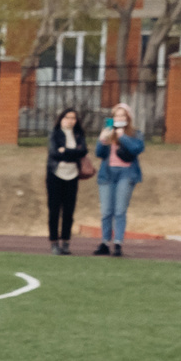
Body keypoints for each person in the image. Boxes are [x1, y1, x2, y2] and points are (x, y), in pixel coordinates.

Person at [91, 103, 143, 256]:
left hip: (126, 173)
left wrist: (122, 137)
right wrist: (102, 141)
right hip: (107, 173)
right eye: (116, 115)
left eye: (122, 115)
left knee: (120, 210)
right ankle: (104, 243)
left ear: (128, 118)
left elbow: (136, 149)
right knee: (106, 210)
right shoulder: (107, 131)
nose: (119, 118)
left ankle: (118, 243)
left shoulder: (135, 133)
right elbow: (99, 154)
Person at [43, 106, 88, 256]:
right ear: (61, 119)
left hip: (72, 175)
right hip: (55, 174)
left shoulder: (78, 134)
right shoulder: (55, 134)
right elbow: (54, 153)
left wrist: (66, 151)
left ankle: (66, 241)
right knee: (54, 210)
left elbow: (82, 152)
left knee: (69, 211)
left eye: (73, 118)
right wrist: (71, 154)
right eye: (67, 117)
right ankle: (54, 242)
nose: (70, 121)